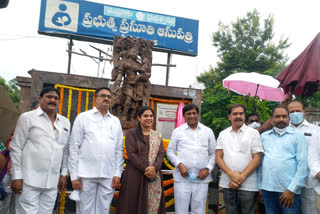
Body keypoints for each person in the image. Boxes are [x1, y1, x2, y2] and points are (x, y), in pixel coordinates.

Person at [10, 87, 70, 214]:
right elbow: (16, 148)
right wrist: (17, 176)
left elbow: (65, 150)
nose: (53, 100)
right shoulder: (27, 118)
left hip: (52, 182)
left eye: (56, 98)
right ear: (40, 98)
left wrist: (64, 174)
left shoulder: (65, 122)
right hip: (28, 180)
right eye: (49, 97)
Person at [68, 87, 124, 214]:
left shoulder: (115, 121)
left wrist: (117, 173)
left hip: (108, 174)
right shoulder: (83, 118)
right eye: (103, 96)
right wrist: (74, 176)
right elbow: (74, 147)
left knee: (103, 210)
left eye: (109, 97)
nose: (106, 99)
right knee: (84, 210)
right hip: (86, 174)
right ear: (95, 99)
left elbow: (119, 150)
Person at [167, 104, 216, 214]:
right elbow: (170, 151)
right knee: (181, 210)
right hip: (182, 178)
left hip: (201, 178)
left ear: (198, 114)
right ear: (184, 116)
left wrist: (208, 169)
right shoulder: (177, 131)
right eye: (188, 114)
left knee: (199, 210)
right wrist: (179, 164)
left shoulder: (208, 131)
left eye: (194, 113)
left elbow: (213, 153)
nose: (192, 116)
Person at [258, 106, 309, 214]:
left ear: (288, 119)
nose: (281, 119)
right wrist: (260, 187)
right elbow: (260, 163)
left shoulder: (298, 136)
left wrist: (291, 190)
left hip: (289, 191)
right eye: (277, 116)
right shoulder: (264, 137)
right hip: (268, 190)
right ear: (271, 119)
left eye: (284, 116)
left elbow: (303, 166)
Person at [116, 106, 166, 214]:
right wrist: (147, 169)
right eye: (145, 116)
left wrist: (154, 168)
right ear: (139, 118)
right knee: (131, 204)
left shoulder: (156, 136)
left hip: (154, 176)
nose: (149, 118)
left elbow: (161, 153)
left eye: (151, 116)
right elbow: (131, 154)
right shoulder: (131, 133)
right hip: (135, 175)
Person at [216, 104, 263, 214]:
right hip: (228, 183)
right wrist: (232, 176)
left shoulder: (253, 133)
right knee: (231, 211)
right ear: (229, 117)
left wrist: (240, 178)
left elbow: (257, 158)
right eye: (235, 114)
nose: (238, 116)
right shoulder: (223, 134)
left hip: (248, 184)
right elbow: (218, 157)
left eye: (241, 113)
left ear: (244, 115)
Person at [288, 100, 319, 214]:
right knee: (290, 208)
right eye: (292, 111)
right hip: (289, 177)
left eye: (298, 111)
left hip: (309, 177)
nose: (295, 113)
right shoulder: (286, 130)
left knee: (309, 208)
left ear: (304, 112)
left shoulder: (315, 130)